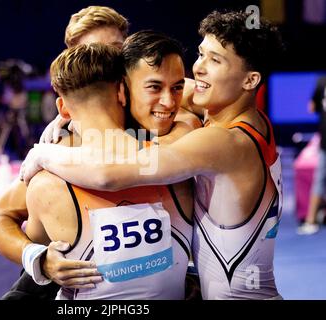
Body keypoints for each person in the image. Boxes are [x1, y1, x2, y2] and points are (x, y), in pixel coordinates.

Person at [22, 10, 284, 300]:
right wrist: (75, 107)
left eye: (215, 60)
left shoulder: (222, 142)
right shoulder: (242, 120)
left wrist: (43, 154)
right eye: (200, 54)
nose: (198, 69)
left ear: (250, 81)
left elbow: (108, 175)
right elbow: (172, 87)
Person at [0, 5, 130, 300]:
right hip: (64, 284)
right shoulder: (62, 137)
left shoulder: (159, 108)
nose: (105, 62)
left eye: (114, 50)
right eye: (93, 52)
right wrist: (39, 260)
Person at [26, 42, 193, 299]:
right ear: (123, 93)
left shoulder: (43, 184)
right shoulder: (177, 159)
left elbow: (31, 238)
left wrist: (37, 258)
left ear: (62, 109)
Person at [297, 76, 326, 235]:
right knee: (319, 182)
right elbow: (312, 107)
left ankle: (312, 220)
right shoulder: (321, 82)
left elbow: (312, 107)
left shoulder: (321, 82)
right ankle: (311, 220)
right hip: (324, 144)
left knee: (319, 182)